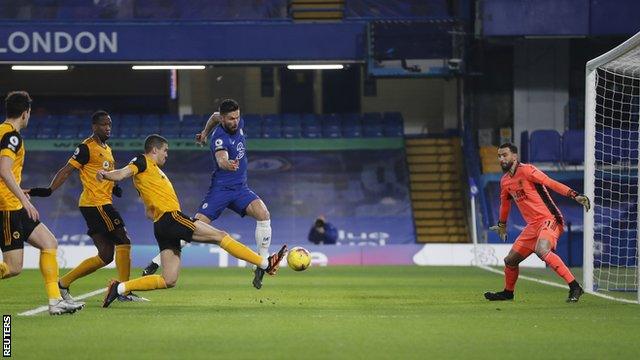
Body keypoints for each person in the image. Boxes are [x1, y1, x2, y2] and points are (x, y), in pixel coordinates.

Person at [97, 134, 286, 308]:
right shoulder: (142, 161)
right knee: (221, 236)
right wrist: (105, 175)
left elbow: (148, 212)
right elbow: (121, 173)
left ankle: (119, 289)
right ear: (154, 150)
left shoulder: (150, 174)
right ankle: (264, 263)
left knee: (168, 280)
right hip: (172, 218)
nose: (167, 155)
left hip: (161, 225)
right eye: (165, 151)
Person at [142, 99, 274, 290]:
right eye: (231, 119)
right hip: (220, 191)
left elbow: (213, 116)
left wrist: (204, 132)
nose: (235, 122)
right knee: (192, 227)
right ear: (224, 119)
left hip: (240, 189)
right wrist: (226, 163)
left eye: (237, 117)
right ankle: (155, 262)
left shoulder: (234, 122)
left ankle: (260, 263)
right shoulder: (219, 138)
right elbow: (221, 159)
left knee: (263, 214)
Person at [27, 110, 143, 302]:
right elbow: (67, 170)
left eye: (110, 125)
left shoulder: (107, 148)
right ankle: (123, 291)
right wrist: (49, 190)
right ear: (94, 127)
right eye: (104, 124)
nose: (108, 128)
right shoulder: (86, 147)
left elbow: (102, 173)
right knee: (124, 240)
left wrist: (113, 187)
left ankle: (62, 283)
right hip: (96, 204)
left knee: (106, 255)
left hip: (96, 204)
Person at [0, 91, 84, 315]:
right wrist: (21, 199)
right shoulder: (12, 136)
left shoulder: (3, 132)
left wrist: (20, 194)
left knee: (49, 243)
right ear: (26, 113)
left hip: (14, 203)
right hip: (8, 208)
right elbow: (4, 170)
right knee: (13, 268)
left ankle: (55, 301)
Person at [484, 143, 590, 303]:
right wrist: (502, 224)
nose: (501, 159)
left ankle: (575, 286)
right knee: (510, 261)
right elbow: (505, 204)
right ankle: (508, 293)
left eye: (504, 155)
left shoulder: (527, 170)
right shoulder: (505, 181)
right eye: (499, 156)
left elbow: (550, 183)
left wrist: (573, 195)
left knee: (542, 250)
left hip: (550, 218)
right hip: (533, 225)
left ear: (514, 156)